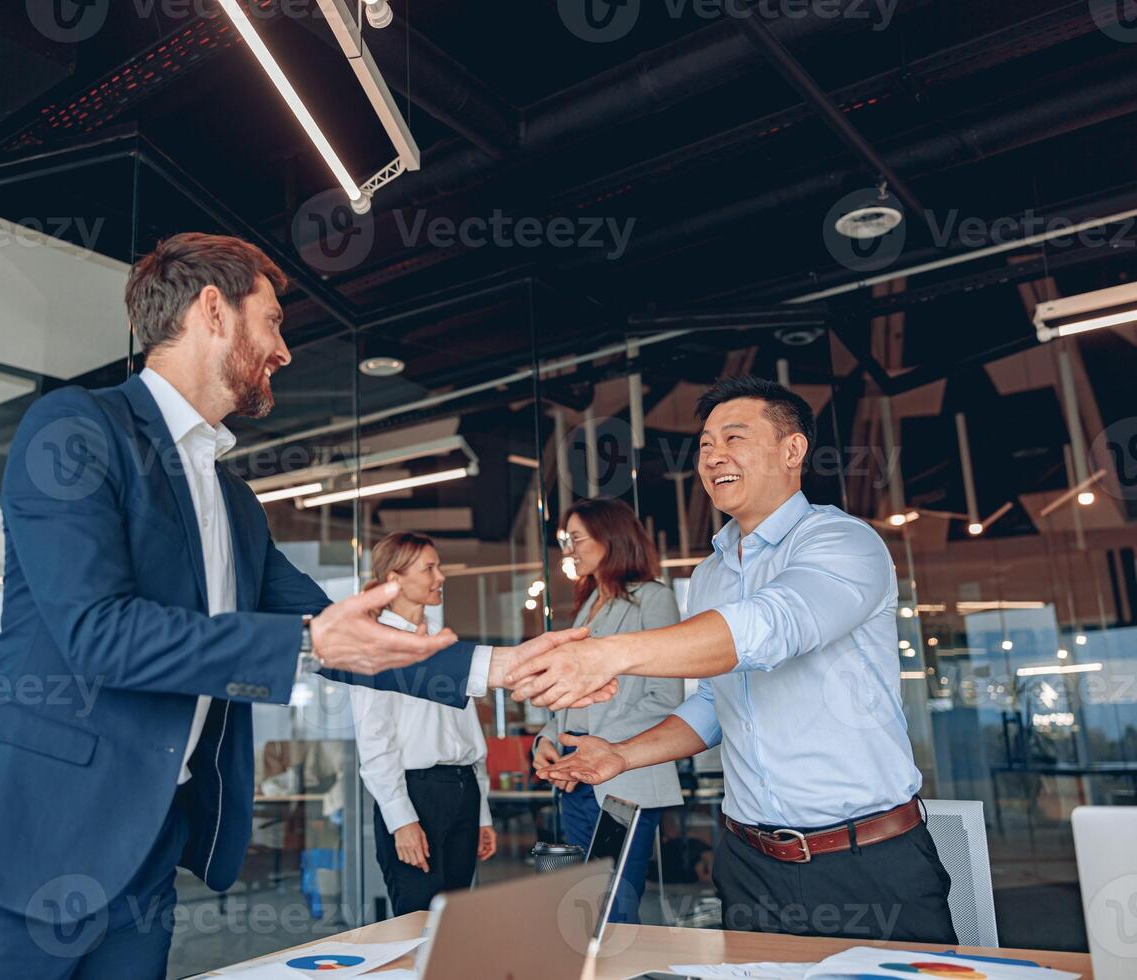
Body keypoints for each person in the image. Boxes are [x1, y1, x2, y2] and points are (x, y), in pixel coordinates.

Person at [0, 233, 611, 979]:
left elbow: (353, 636)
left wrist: (503, 665)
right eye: (272, 321)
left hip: (143, 864)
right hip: (13, 849)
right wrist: (307, 638)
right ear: (212, 312)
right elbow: (96, 633)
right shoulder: (78, 429)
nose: (285, 349)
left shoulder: (234, 502)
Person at [524, 377, 956, 944]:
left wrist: (607, 655)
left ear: (792, 450)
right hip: (749, 864)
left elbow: (775, 625)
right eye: (704, 444)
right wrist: (623, 756)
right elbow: (711, 701)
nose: (713, 456)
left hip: (866, 859)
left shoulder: (843, 543)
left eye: (734, 437)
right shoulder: (710, 575)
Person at [532, 497, 683, 924]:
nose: (569, 550)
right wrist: (547, 739)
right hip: (576, 782)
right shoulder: (589, 604)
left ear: (609, 538)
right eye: (566, 540)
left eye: (576, 539)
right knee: (581, 910)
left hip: (624, 782)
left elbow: (664, 700)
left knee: (615, 907)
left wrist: (595, 747)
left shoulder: (652, 600)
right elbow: (573, 700)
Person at [351, 532, 497, 916]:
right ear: (396, 579)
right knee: (416, 926)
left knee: (454, 925)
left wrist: (481, 813)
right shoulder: (377, 646)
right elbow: (374, 743)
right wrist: (401, 821)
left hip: (463, 791)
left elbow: (470, 734)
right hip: (416, 795)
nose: (441, 576)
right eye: (429, 568)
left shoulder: (444, 644)